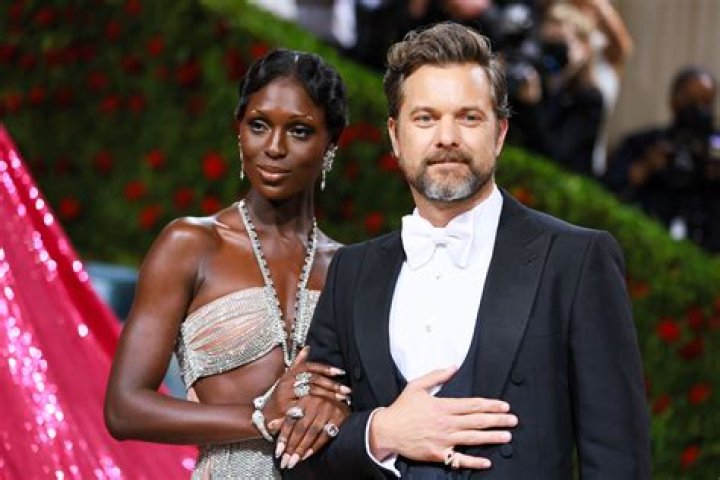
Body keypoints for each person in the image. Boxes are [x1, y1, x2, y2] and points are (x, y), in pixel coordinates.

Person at [284, 22, 651, 479]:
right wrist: (379, 433)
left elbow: (619, 461)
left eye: (468, 117)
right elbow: (300, 459)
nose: (447, 137)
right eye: (425, 118)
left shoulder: (575, 260)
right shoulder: (351, 272)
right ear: (396, 136)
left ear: (500, 133)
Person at [104, 49, 352, 478]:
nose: (274, 147)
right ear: (239, 131)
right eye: (259, 125)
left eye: (299, 130)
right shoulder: (191, 245)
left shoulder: (348, 268)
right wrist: (258, 416)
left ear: (331, 143)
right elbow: (124, 408)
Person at [604, 66, 719, 252]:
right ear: (673, 100)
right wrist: (645, 167)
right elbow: (608, 190)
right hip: (644, 245)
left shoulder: (714, 151)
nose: (698, 109)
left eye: (706, 102)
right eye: (691, 101)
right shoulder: (643, 144)